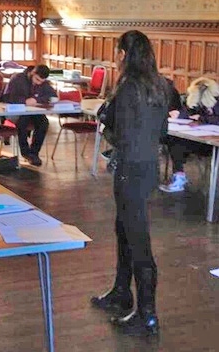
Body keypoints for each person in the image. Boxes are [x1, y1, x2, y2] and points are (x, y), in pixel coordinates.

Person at [90, 30, 169, 335]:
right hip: (148, 166)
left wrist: (106, 120)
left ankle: (147, 314)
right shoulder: (161, 86)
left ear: (124, 54)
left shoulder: (126, 88)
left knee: (137, 240)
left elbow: (118, 135)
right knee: (124, 230)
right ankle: (122, 292)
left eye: (117, 52)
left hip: (129, 168)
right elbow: (161, 130)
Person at [159, 77, 219, 193]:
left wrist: (203, 118)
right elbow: (188, 111)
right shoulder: (196, 99)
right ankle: (179, 175)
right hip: (199, 139)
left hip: (213, 143)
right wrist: (179, 114)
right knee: (176, 141)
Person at [0, 65, 56, 166]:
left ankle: (34, 153)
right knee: (23, 121)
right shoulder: (17, 79)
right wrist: (24, 101)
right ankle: (25, 152)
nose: (38, 83)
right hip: (15, 111)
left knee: (44, 123)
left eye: (41, 81)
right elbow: (7, 97)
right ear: (32, 73)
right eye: (37, 79)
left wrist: (36, 100)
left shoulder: (43, 83)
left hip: (32, 111)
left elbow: (52, 95)